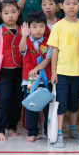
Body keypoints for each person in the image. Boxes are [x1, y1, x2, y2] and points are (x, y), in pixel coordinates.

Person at [48, 0, 79, 148]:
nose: (71, 6)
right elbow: (54, 50)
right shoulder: (58, 26)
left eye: (74, 3)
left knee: (74, 103)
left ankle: (72, 129)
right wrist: (53, 72)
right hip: (62, 72)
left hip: (78, 72)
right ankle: (59, 134)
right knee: (61, 104)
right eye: (67, 3)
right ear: (61, 6)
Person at [0, 0, 24, 140]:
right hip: (3, 71)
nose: (10, 16)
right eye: (6, 13)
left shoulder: (23, 30)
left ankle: (12, 126)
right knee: (3, 99)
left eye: (13, 12)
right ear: (1, 15)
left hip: (20, 72)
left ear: (18, 12)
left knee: (17, 100)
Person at [18, 11, 53, 143]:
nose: (38, 29)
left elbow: (48, 59)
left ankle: (48, 131)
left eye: (41, 26)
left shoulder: (49, 41)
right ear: (29, 27)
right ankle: (32, 132)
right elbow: (22, 50)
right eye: (35, 26)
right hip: (30, 81)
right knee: (31, 106)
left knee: (48, 107)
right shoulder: (25, 41)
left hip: (46, 79)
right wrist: (23, 36)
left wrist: (36, 68)